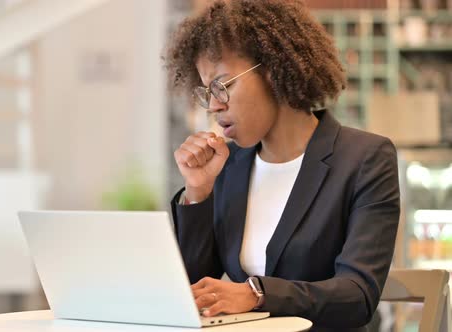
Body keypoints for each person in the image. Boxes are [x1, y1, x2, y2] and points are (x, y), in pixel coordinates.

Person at [164, 1, 400, 331]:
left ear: (273, 70)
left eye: (224, 85)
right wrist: (198, 191)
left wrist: (256, 293)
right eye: (207, 92)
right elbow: (192, 288)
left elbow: (357, 295)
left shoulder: (365, 158)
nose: (215, 105)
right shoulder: (228, 169)